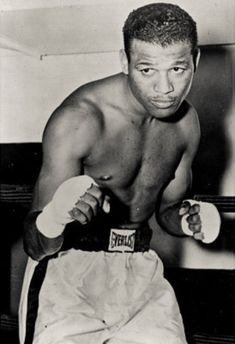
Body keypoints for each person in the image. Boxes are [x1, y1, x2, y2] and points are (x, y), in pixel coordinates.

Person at [19, 3, 220, 344]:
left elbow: (167, 211)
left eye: (177, 69)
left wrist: (189, 219)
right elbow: (36, 245)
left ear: (195, 62)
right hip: (68, 273)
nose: (165, 88)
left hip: (141, 270)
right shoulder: (80, 119)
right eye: (147, 70)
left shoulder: (187, 125)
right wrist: (55, 216)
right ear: (125, 62)